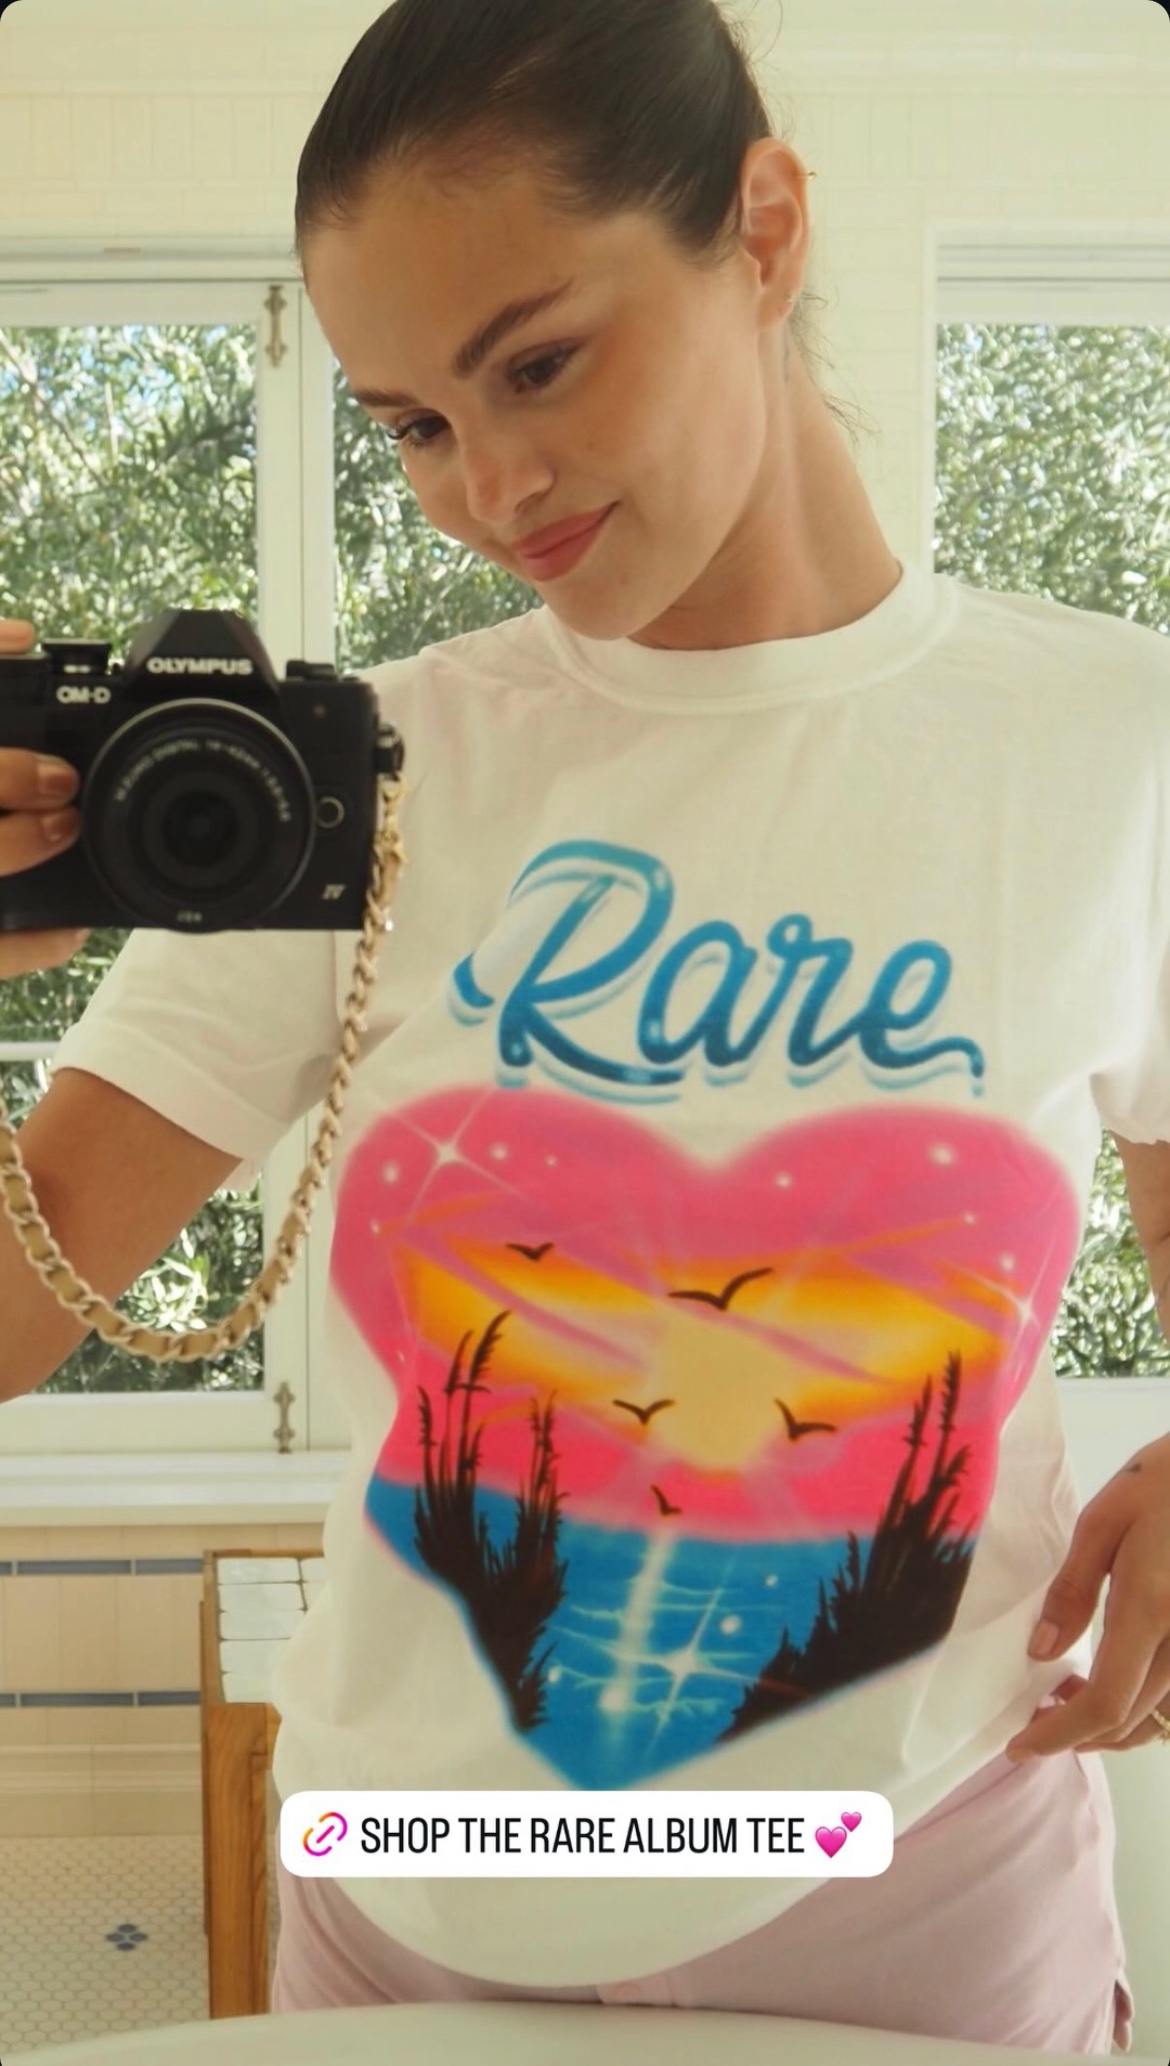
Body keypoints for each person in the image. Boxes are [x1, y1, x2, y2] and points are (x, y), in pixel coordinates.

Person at [10, 0, 1170, 2049]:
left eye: (537, 363)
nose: (490, 485)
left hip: (921, 1898)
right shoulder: (352, 782)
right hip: (413, 1898)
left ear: (765, 227)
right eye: (410, 425)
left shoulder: (1115, 745)